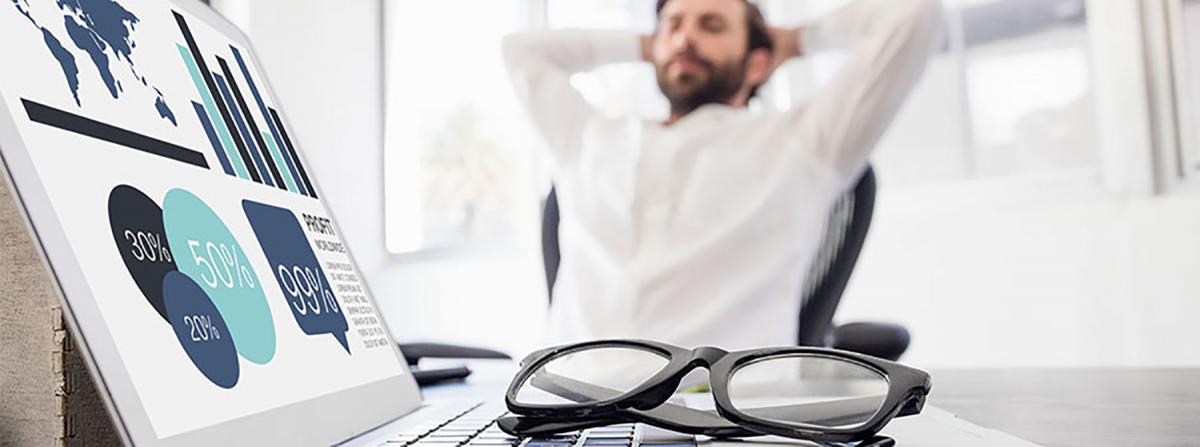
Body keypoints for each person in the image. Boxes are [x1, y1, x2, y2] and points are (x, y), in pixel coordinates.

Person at [502, 0, 944, 350]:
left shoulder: (805, 143)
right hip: (563, 410)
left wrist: (795, 40)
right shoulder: (588, 136)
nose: (686, 38)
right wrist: (647, 44)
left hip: (722, 417)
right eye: (673, 25)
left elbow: (913, 15)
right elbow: (521, 51)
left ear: (757, 63)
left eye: (711, 26)